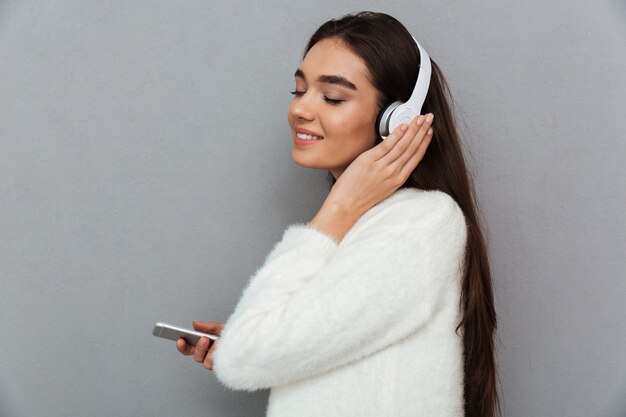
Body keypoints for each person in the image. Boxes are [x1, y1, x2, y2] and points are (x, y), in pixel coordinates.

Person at [176, 11, 499, 417]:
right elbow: (270, 348)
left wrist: (338, 208)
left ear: (396, 119)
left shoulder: (420, 224)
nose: (300, 110)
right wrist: (249, 341)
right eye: (299, 91)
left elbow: (248, 354)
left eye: (332, 97)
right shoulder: (361, 225)